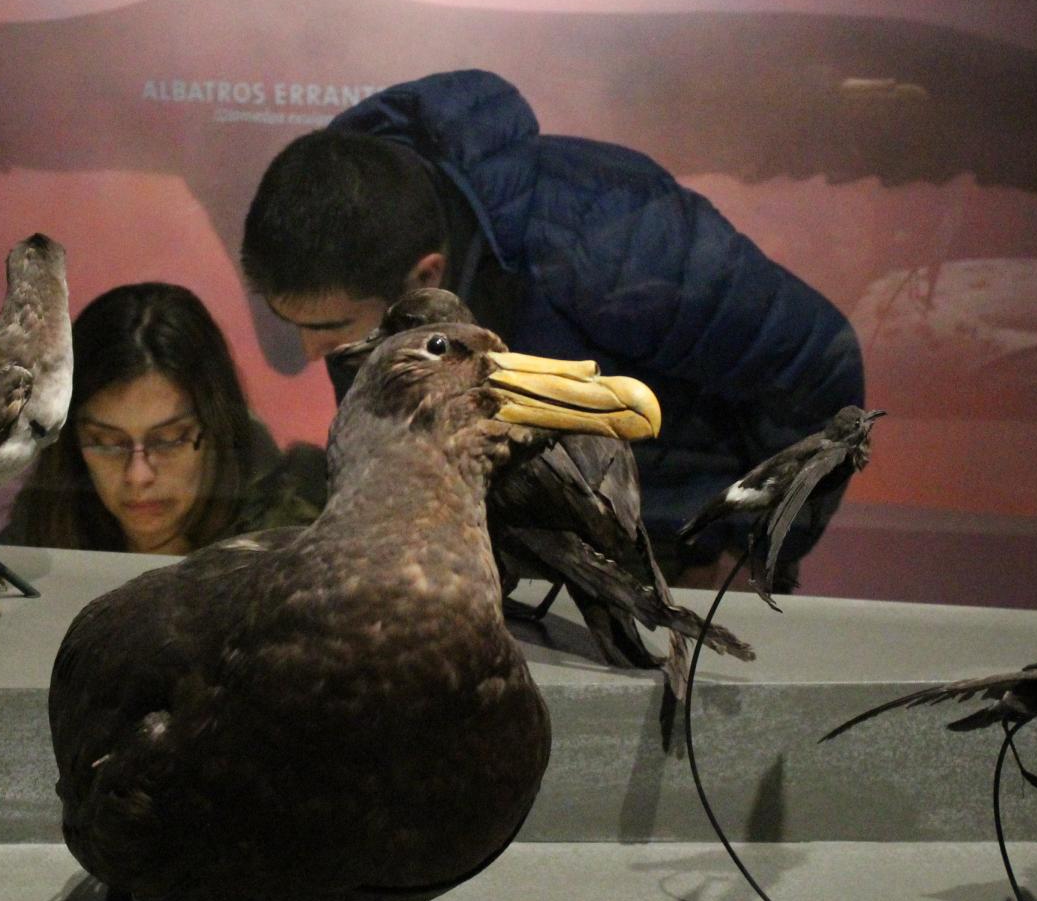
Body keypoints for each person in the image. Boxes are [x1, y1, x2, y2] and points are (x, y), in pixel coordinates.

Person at [240, 69, 865, 581]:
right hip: (506, 569)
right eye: (290, 321)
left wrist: (744, 551)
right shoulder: (351, 250)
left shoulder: (611, 236)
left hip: (675, 561)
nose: (312, 348)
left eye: (332, 326)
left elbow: (816, 369)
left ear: (425, 277)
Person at [2, 282, 319, 555]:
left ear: (218, 430)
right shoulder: (41, 534)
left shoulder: (288, 544)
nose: (138, 476)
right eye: (107, 443)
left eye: (170, 440)